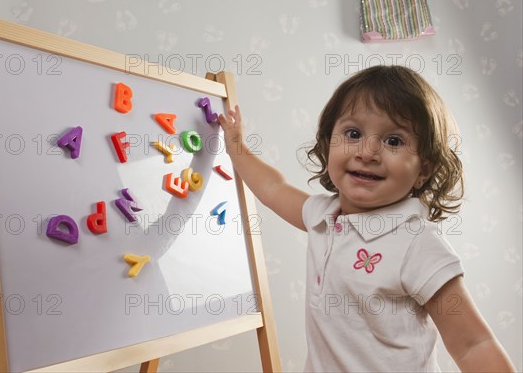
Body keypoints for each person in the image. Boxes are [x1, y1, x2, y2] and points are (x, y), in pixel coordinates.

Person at [218, 65, 516, 372]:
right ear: (327, 143)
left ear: (423, 169)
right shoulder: (322, 215)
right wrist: (236, 146)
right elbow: (272, 188)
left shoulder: (416, 243)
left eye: (394, 141)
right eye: (353, 133)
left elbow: (473, 345)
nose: (368, 151)